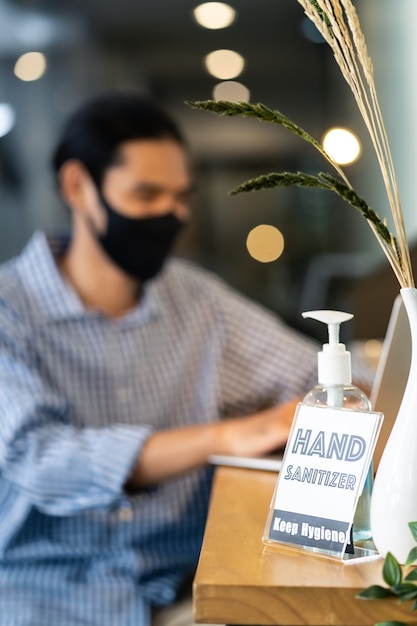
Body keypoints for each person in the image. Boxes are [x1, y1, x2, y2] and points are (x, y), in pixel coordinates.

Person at [0, 91, 323, 626]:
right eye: (147, 194)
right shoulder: (9, 311)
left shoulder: (197, 300)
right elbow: (42, 458)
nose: (172, 216)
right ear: (78, 186)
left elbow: (321, 378)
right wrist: (223, 437)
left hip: (183, 587)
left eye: (180, 197)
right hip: (44, 593)